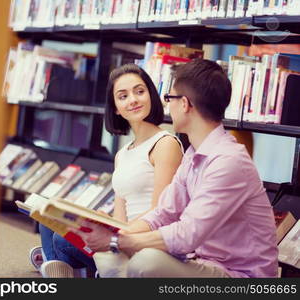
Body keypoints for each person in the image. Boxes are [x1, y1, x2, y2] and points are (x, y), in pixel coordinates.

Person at [71, 59, 279, 278]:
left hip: (241, 276)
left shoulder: (229, 161)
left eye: (170, 97)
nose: (166, 104)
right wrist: (114, 232)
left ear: (185, 104)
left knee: (146, 261)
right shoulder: (193, 155)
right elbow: (164, 213)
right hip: (202, 262)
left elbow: (188, 234)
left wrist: (117, 241)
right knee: (113, 256)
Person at [31, 63, 184, 277]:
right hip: (123, 234)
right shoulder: (123, 154)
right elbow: (120, 215)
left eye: (139, 92)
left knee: (60, 241)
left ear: (151, 95)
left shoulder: (165, 143)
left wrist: (117, 234)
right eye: (123, 96)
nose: (133, 100)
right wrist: (101, 220)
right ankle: (67, 268)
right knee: (49, 222)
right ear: (114, 107)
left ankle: (61, 267)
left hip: (145, 240)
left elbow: (162, 211)